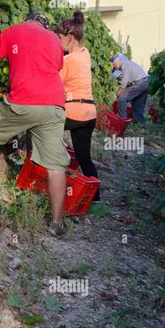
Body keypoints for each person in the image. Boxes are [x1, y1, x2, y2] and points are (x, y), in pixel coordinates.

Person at [0, 13, 69, 236]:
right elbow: (53, 69)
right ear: (44, 25)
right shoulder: (54, 40)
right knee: (56, 165)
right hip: (54, 105)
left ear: (27, 20)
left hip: (25, 100)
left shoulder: (12, 31)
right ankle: (57, 223)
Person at [54, 10, 100, 202]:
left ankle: (39, 166)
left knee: (39, 125)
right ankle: (95, 199)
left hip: (73, 113)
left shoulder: (68, 60)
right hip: (89, 114)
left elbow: (55, 86)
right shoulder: (85, 53)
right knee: (84, 158)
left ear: (70, 37)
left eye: (59, 37)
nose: (57, 41)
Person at [110, 53, 149, 124]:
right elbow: (128, 81)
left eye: (114, 65)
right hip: (146, 82)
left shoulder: (125, 64)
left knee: (122, 98)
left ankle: (122, 120)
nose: (114, 67)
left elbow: (124, 81)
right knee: (138, 102)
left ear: (117, 63)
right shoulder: (128, 64)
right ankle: (139, 122)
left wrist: (119, 92)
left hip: (140, 83)